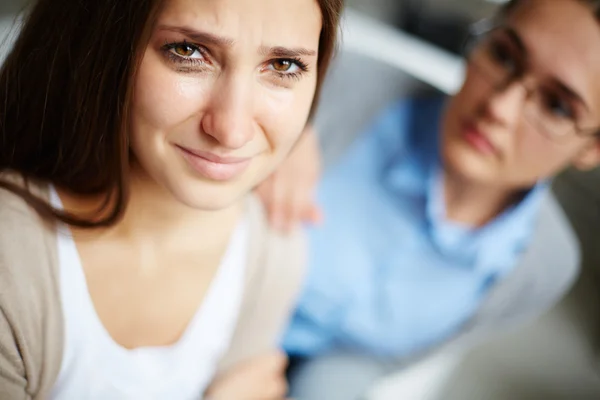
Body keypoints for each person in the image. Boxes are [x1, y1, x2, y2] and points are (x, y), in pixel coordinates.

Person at [256, 0, 600, 397]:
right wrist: (265, 145)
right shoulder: (326, 81)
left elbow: (370, 360)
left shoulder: (544, 267)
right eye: (504, 56)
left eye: (556, 106)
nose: (499, 109)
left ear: (592, 149)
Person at [0, 0, 343, 398]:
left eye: (283, 65)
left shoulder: (272, 248)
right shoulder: (12, 262)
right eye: (188, 51)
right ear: (103, 46)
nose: (231, 130)